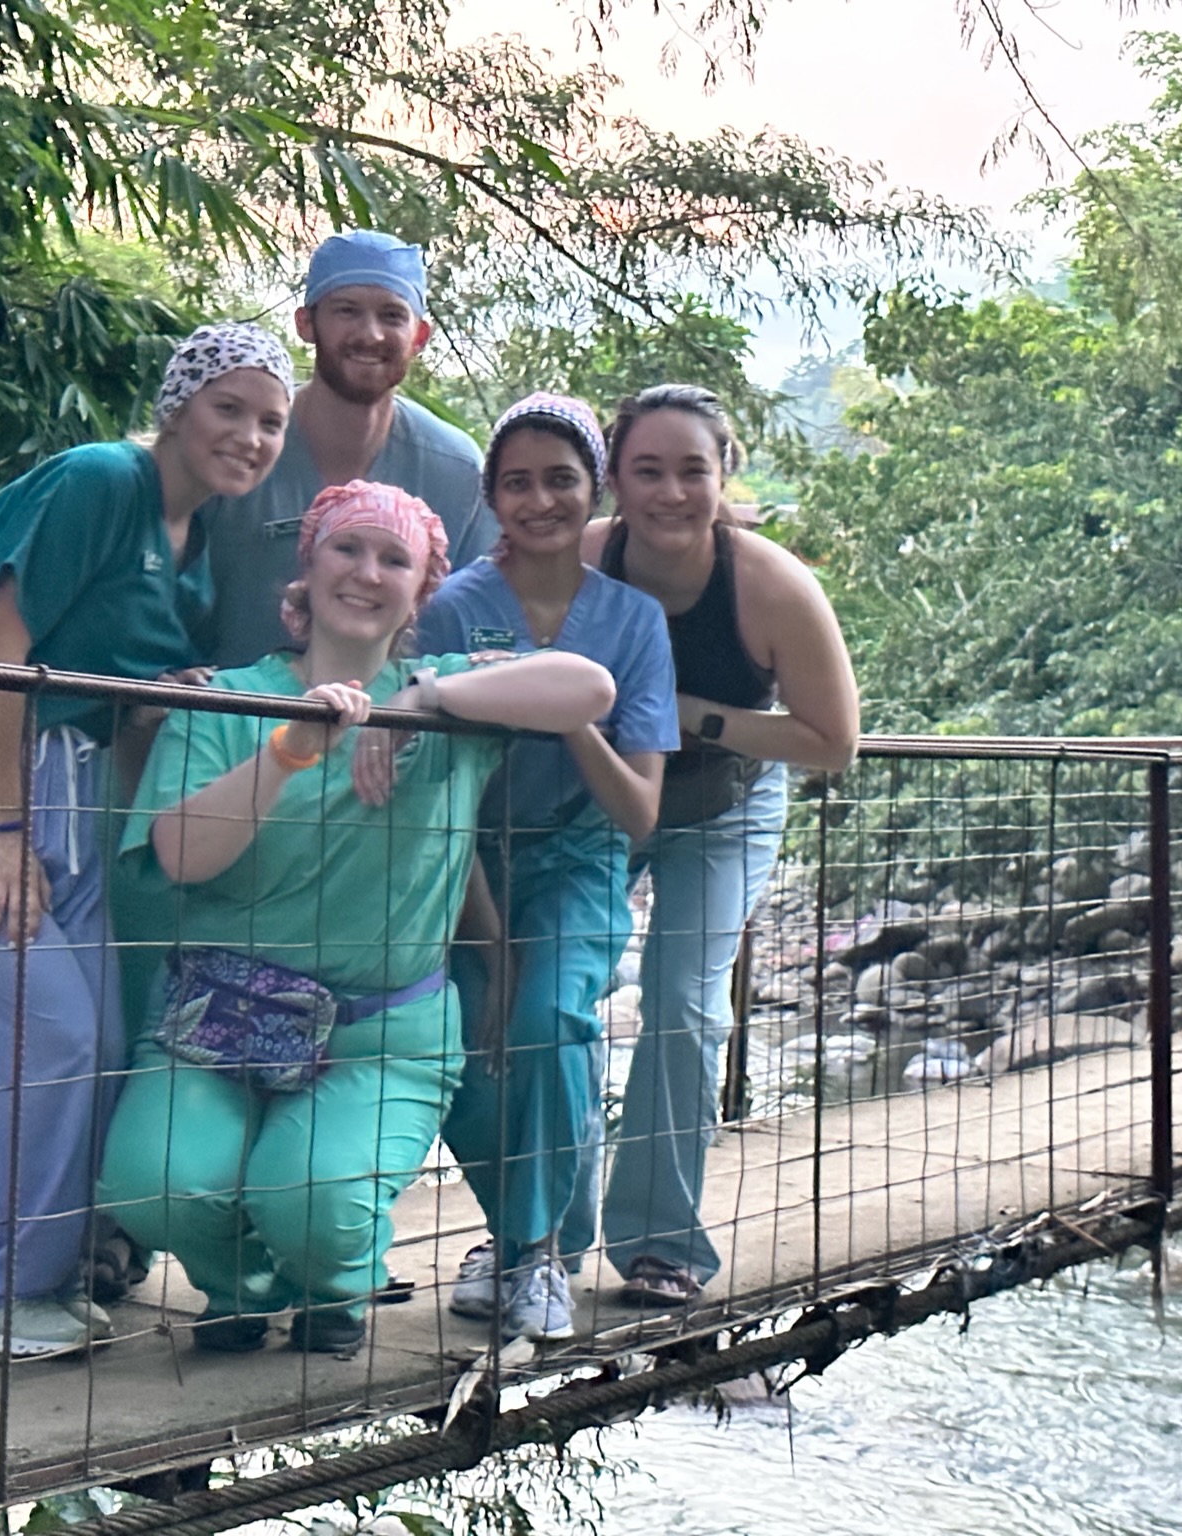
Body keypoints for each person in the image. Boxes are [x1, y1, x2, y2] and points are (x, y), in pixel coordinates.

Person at [0, 324, 295, 1358]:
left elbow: (112, 694)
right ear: (177, 404)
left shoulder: (197, 549)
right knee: (37, 1034)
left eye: (271, 422)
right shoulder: (100, 480)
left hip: (69, 789)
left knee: (104, 1036)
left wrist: (155, 698)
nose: (250, 436)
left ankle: (36, 1278)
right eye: (229, 408)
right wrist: (2, 829)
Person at [97, 481, 616, 1356]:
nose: (367, 573)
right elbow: (183, 857)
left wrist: (420, 702)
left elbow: (589, 688)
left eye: (393, 559)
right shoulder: (229, 699)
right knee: (156, 1187)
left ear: (420, 593)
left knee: (313, 1200)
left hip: (378, 1037)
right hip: (217, 1024)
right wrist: (289, 750)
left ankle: (332, 1282)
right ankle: (243, 1288)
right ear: (308, 567)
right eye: (347, 548)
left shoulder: (455, 693)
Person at [581, 384, 860, 1307]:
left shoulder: (768, 585)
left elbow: (832, 742)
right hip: (600, 796)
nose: (669, 492)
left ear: (723, 473)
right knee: (556, 991)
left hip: (723, 805)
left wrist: (687, 713)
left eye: (691, 470)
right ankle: (535, 1235)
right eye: (646, 470)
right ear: (614, 478)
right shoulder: (582, 561)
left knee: (683, 1006)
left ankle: (660, 1244)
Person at [416, 394, 679, 1342]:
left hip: (577, 857)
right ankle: (513, 1237)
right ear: (490, 497)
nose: (540, 501)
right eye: (517, 483)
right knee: (457, 1041)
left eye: (561, 480)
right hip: (461, 861)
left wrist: (570, 721)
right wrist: (489, 938)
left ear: (593, 490)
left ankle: (537, 1256)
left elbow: (639, 808)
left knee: (548, 1023)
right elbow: (436, 782)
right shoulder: (452, 611)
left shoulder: (632, 621)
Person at [199, 229, 498, 668]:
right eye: (347, 311)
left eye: (392, 316)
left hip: (393, 710)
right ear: (306, 323)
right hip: (226, 706)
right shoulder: (240, 448)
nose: (370, 334)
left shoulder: (455, 470)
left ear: (419, 336)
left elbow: (472, 618)